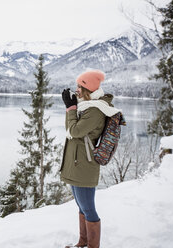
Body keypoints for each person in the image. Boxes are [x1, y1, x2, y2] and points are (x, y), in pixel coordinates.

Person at [60, 70, 120, 248]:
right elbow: (70, 130)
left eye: (80, 86)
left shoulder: (95, 110)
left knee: (88, 208)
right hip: (77, 162)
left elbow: (75, 131)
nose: (77, 89)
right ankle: (83, 242)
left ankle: (92, 245)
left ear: (88, 89)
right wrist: (71, 108)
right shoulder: (85, 106)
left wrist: (70, 109)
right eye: (77, 85)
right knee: (81, 206)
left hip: (85, 165)